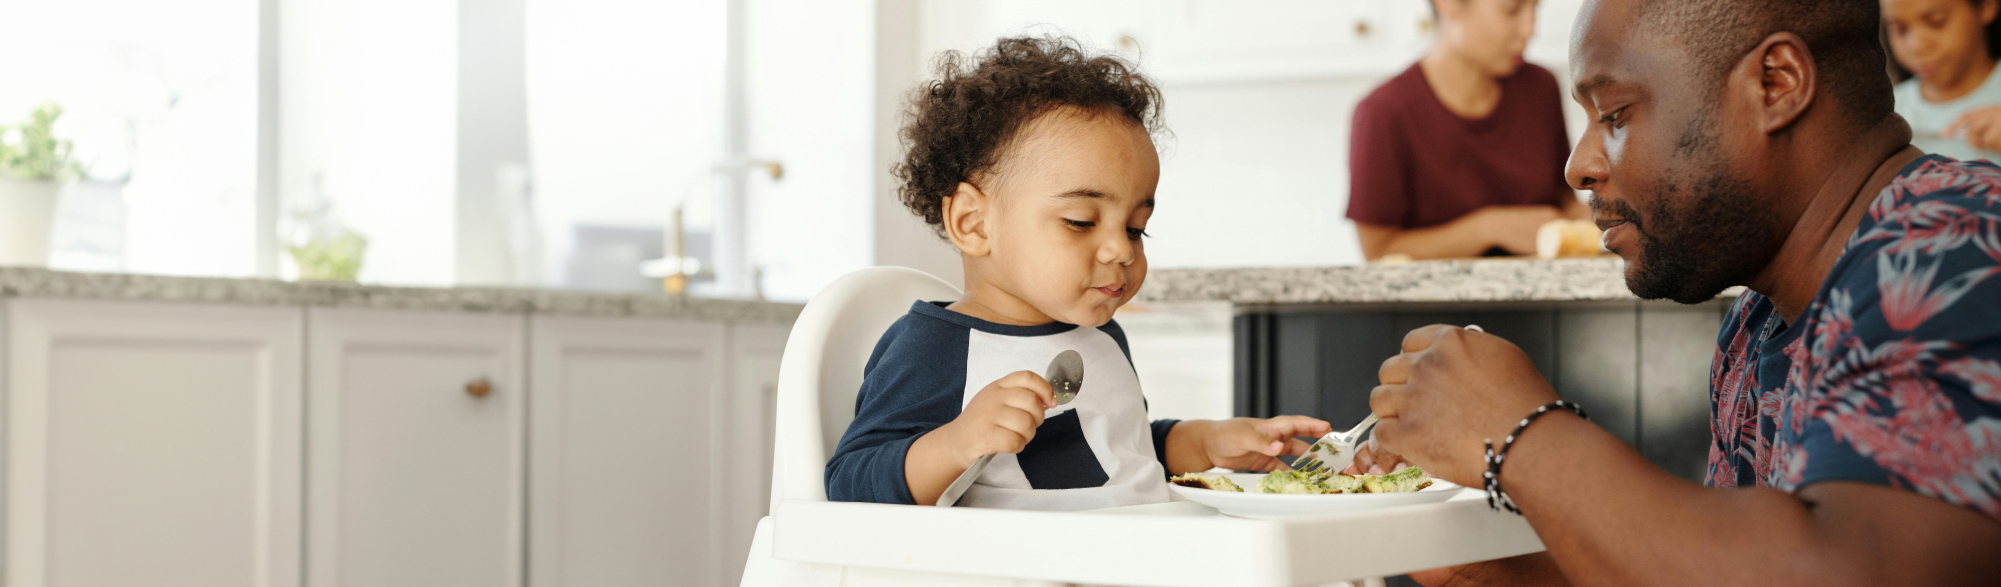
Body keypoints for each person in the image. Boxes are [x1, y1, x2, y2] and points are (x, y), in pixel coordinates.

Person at [1354, 0, 2001, 584]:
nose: (1577, 166)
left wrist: (1517, 436)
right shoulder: (1754, 322)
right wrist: (1494, 576)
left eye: (1613, 114)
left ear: (1775, 83)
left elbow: (1854, 567)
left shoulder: (1958, 242)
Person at [824, 37, 1330, 510]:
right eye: (1081, 222)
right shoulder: (933, 349)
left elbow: (1122, 450)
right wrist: (957, 442)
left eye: (1136, 228)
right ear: (973, 222)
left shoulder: (1100, 335)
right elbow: (850, 485)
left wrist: (1208, 442)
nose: (1120, 250)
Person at [1347, 0, 1589, 261]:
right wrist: (1488, 228)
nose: (1530, 29)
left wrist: (1588, 218)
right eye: (1512, 10)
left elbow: (1563, 201)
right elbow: (1378, 251)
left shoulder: (1541, 88)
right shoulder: (1383, 113)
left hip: (1545, 299)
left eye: (1536, 8)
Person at [1884, 0, 2001, 161]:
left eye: (1936, 22)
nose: (1917, 45)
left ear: (1987, 5)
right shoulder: (1885, 112)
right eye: (1899, 29)